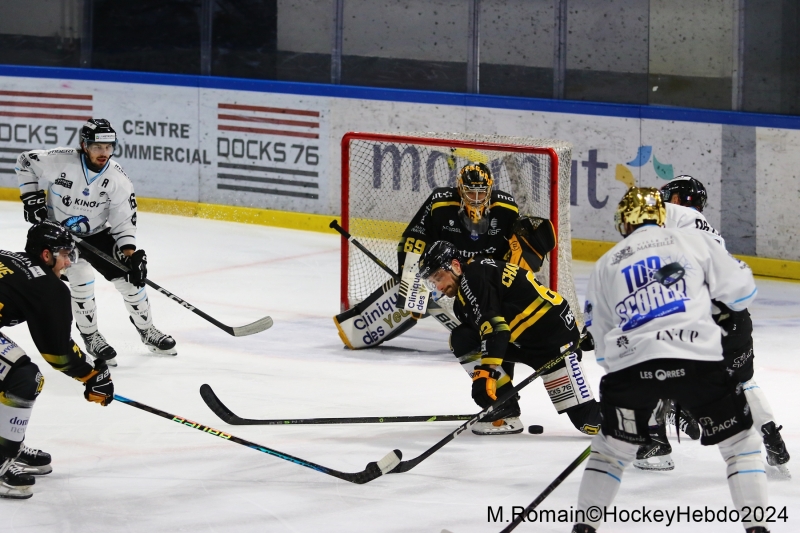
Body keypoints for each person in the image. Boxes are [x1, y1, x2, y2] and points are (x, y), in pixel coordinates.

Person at [571, 187, 769, 533]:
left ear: (623, 222)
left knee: (609, 453)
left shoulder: (606, 263)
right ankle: (758, 530)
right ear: (661, 216)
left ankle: (583, 529)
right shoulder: (693, 241)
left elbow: (601, 346)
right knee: (741, 445)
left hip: (631, 369)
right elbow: (743, 294)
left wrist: (636, 382)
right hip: (697, 360)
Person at [631, 176, 790, 476]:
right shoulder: (708, 230)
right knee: (741, 382)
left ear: (676, 199)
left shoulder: (671, 215)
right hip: (737, 317)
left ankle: (655, 443)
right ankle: (773, 439)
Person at [16, 118, 176, 366]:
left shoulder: (117, 179)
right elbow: (25, 161)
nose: (104, 153)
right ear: (84, 145)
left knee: (131, 282)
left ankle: (148, 330)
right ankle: (91, 337)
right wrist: (31, 197)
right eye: (98, 147)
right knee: (81, 283)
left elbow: (124, 221)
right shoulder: (60, 160)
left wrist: (130, 254)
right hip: (59, 236)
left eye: (109, 147)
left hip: (98, 234)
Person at [417, 240, 600, 436]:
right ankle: (505, 406)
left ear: (455, 265)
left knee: (588, 421)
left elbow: (497, 330)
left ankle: (635, 416)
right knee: (463, 338)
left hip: (555, 342)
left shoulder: (475, 277)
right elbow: (497, 337)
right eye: (432, 281)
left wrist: (486, 373)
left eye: (438, 277)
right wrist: (500, 389)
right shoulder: (462, 302)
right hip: (526, 341)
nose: (438, 286)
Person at [0, 222, 114, 499]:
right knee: (24, 378)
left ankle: (8, 446)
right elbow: (57, 353)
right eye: (64, 254)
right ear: (46, 254)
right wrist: (91, 376)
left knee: (11, 374)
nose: (68, 262)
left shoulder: (11, 260)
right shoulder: (46, 286)